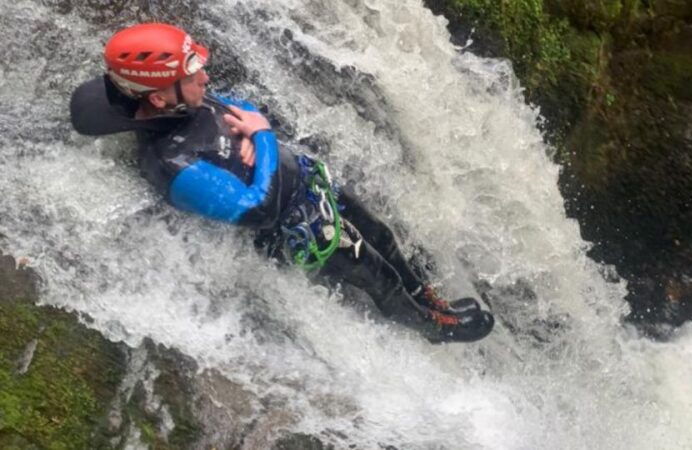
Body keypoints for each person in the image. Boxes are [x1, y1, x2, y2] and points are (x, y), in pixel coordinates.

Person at [70, 23, 494, 343]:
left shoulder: (183, 101)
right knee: (375, 276)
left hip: (307, 183)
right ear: (159, 97)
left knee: (381, 235)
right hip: (301, 229)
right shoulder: (175, 165)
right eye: (193, 74)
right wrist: (261, 136)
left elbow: (241, 105)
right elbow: (260, 209)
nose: (205, 78)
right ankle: (433, 329)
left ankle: (427, 297)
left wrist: (255, 128)